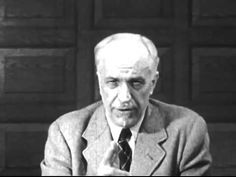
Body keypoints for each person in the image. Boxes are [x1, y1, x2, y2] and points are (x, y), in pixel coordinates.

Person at [40, 33, 212, 176]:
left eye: (136, 83)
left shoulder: (188, 130)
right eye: (113, 82)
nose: (124, 97)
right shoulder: (65, 133)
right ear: (100, 83)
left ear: (153, 83)